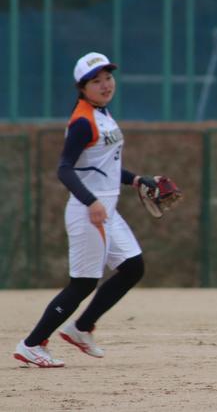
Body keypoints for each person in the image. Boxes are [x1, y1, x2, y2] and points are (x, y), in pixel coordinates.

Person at [13, 52, 167, 368]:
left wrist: (137, 179)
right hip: (89, 212)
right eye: (96, 81)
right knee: (82, 283)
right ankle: (31, 344)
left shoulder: (103, 114)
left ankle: (81, 328)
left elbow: (104, 165)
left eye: (108, 77)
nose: (105, 84)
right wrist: (91, 201)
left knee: (133, 267)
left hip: (105, 209)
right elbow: (64, 169)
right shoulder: (83, 120)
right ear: (82, 88)